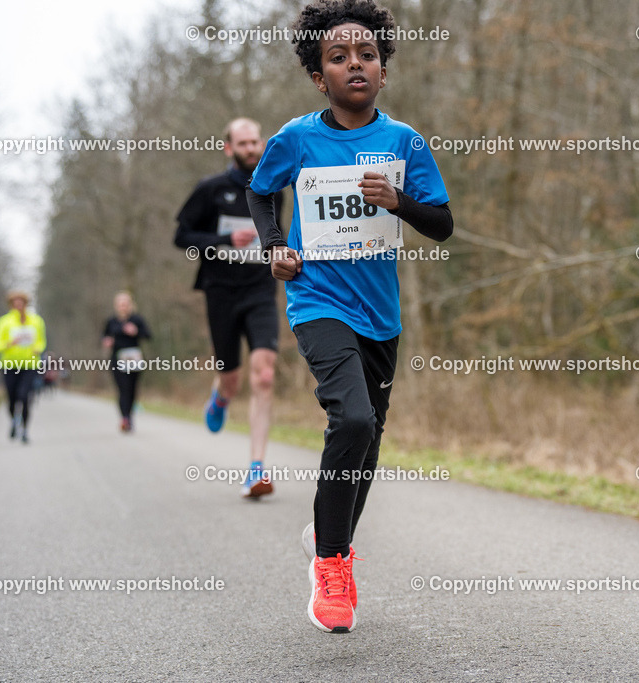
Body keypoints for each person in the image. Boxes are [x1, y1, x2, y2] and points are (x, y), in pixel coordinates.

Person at [247, 0, 453, 634]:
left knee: (366, 442)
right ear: (320, 76)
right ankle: (333, 565)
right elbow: (261, 191)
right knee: (353, 416)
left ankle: (325, 531)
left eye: (367, 54)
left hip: (381, 318)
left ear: (383, 70)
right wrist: (276, 246)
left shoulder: (404, 143)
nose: (355, 64)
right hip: (318, 302)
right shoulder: (296, 139)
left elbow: (442, 225)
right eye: (339, 57)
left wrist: (400, 201)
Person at [174, 118, 284, 498]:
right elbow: (181, 235)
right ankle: (221, 397)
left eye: (256, 141)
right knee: (232, 378)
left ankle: (256, 469)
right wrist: (224, 239)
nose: (252, 148)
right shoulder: (210, 190)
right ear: (229, 148)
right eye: (244, 143)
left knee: (265, 374)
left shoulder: (273, 188)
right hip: (220, 291)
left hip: (260, 290)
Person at [0, 290, 47, 444]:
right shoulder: (4, 322)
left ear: (26, 304)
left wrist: (38, 348)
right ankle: (14, 421)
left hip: (30, 365)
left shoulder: (36, 321)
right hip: (9, 365)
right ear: (11, 304)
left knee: (25, 396)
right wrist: (8, 344)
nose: (19, 305)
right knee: (12, 398)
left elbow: (42, 341)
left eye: (21, 302)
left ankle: (25, 430)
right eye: (15, 303)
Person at [101, 291, 152, 432]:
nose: (123, 307)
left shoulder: (137, 319)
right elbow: (104, 336)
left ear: (130, 305)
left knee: (132, 389)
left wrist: (136, 331)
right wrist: (107, 341)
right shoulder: (111, 321)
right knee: (122, 389)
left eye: (125, 304)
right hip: (117, 358)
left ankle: (129, 416)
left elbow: (148, 335)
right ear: (116, 306)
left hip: (134, 357)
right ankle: (125, 418)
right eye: (120, 304)